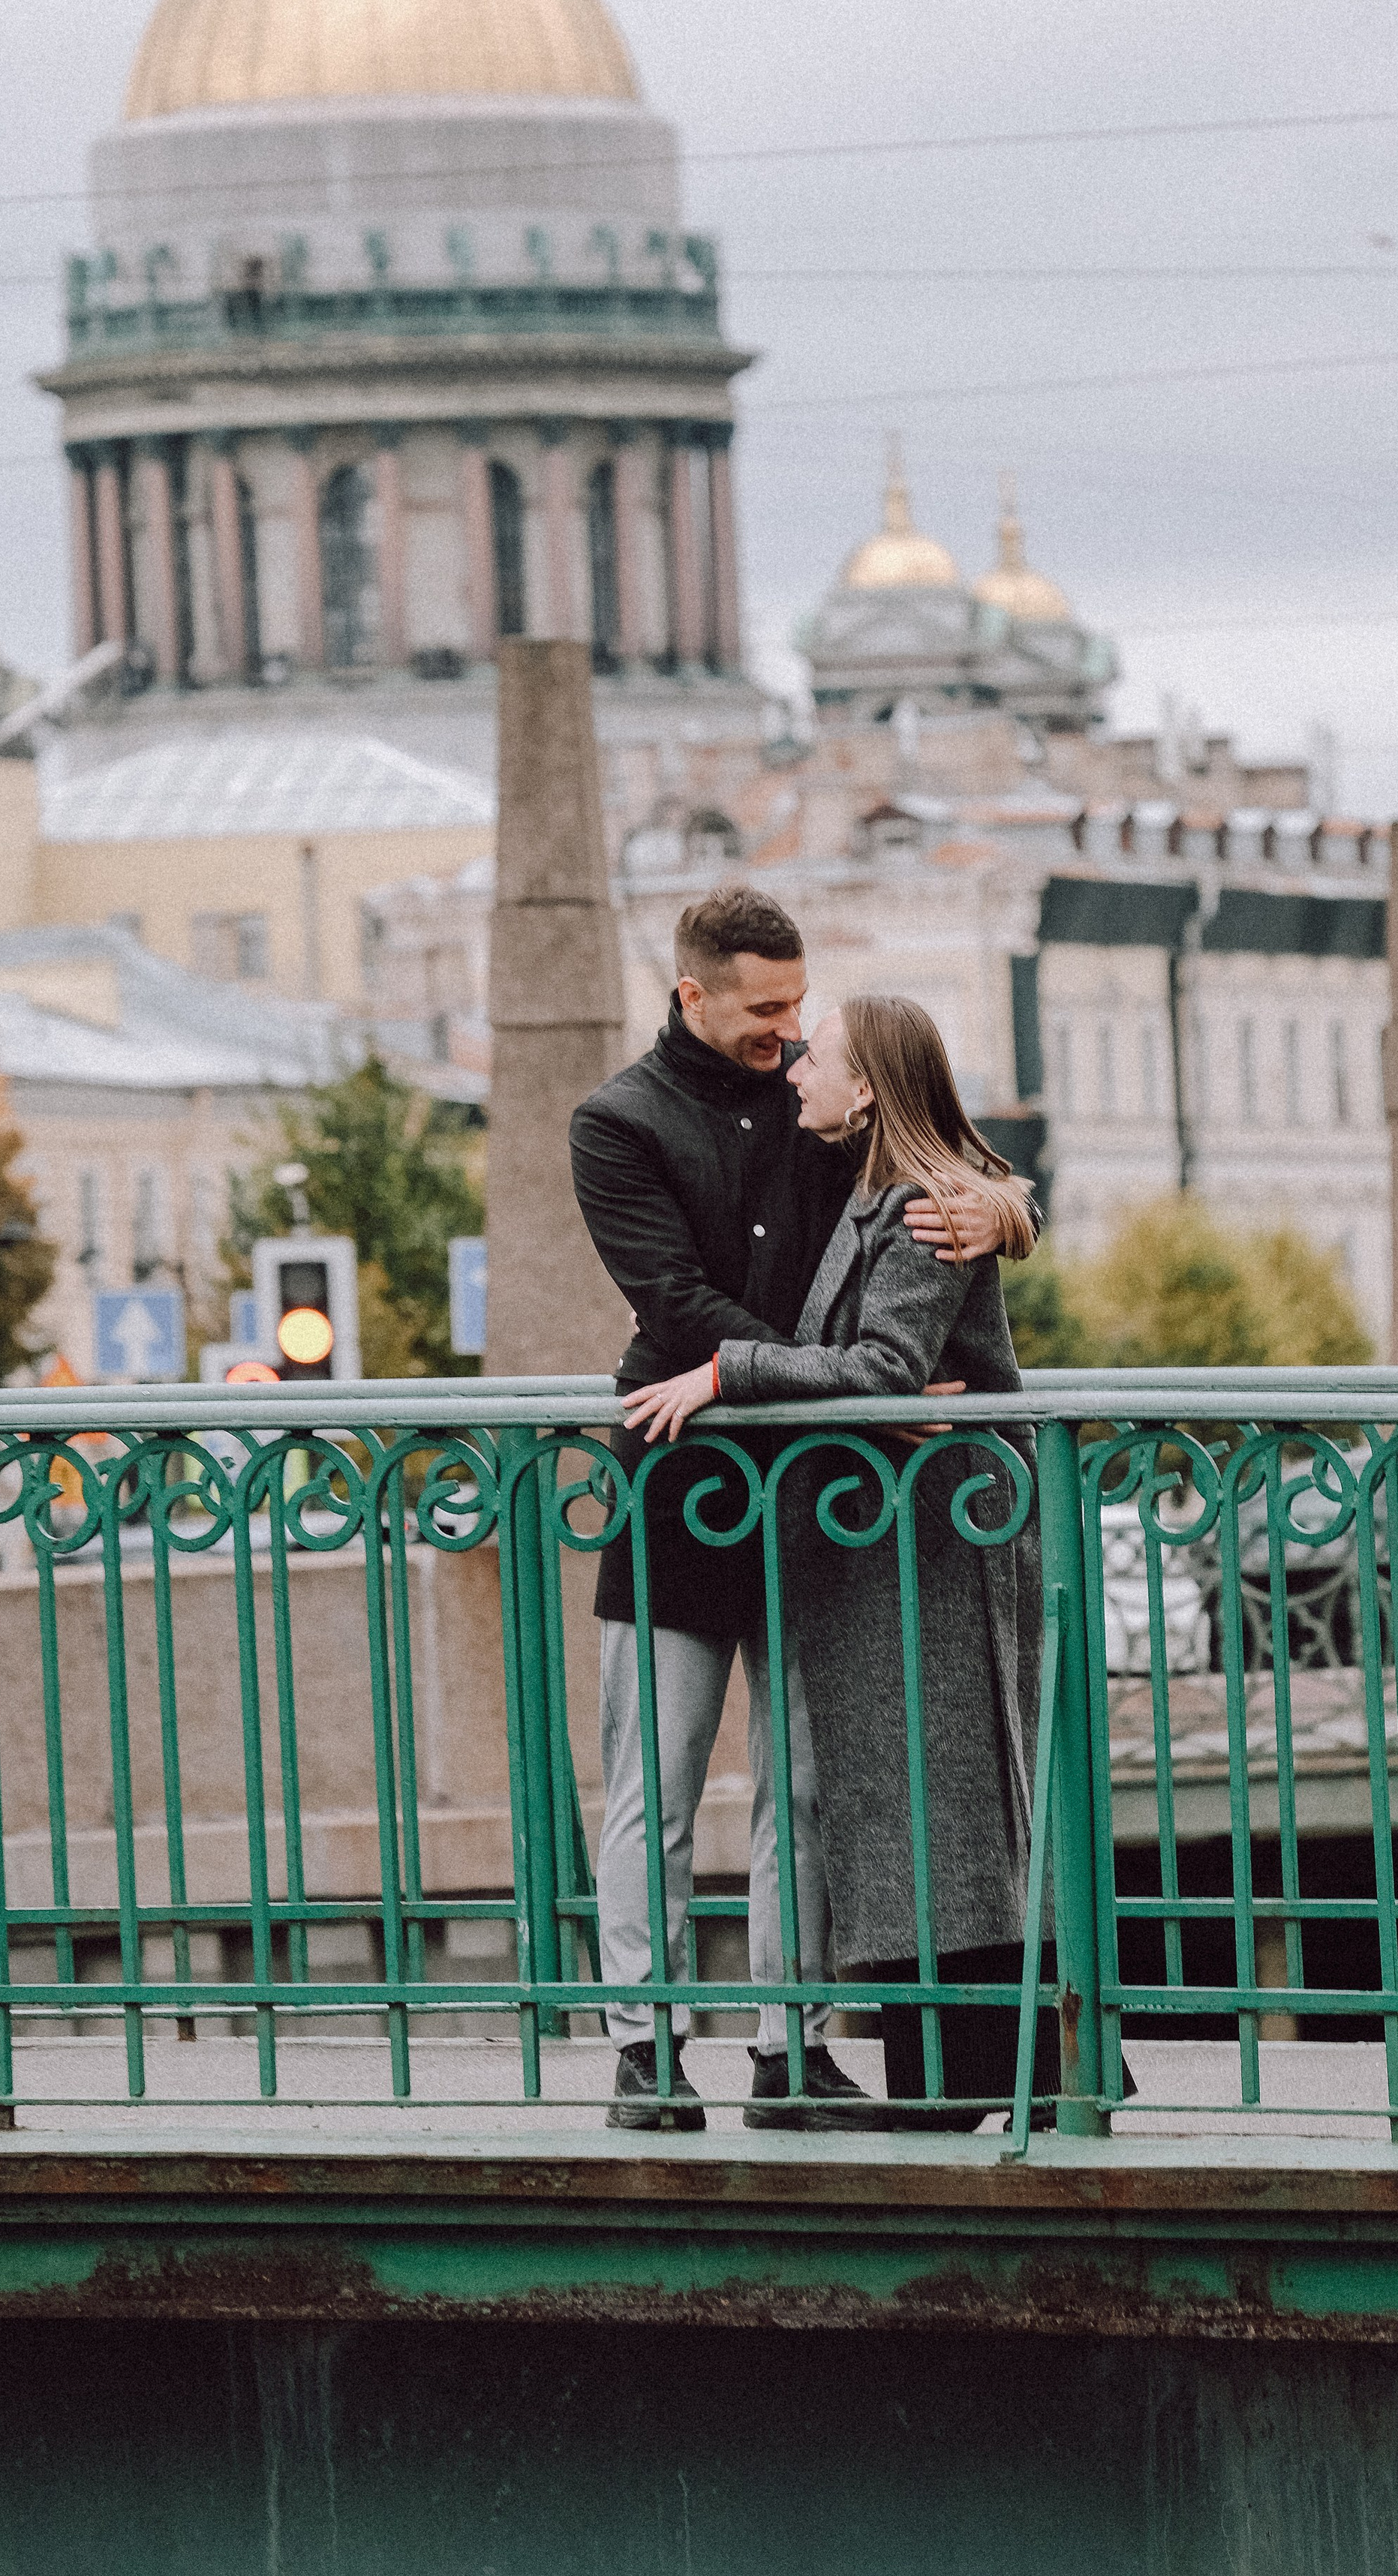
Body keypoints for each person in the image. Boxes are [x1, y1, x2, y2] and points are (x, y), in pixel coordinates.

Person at [570, 889, 1022, 2133]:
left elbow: (942, 1159)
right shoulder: (615, 1124)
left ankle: (790, 2048)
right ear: (692, 996)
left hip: (816, 1497)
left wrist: (1008, 1209)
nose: (786, 1029)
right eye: (764, 1009)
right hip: (681, 1477)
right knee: (650, 1793)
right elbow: (674, 1307)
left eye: (796, 1009)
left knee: (804, 1790)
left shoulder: (821, 1091)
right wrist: (844, 1388)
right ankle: (644, 2052)